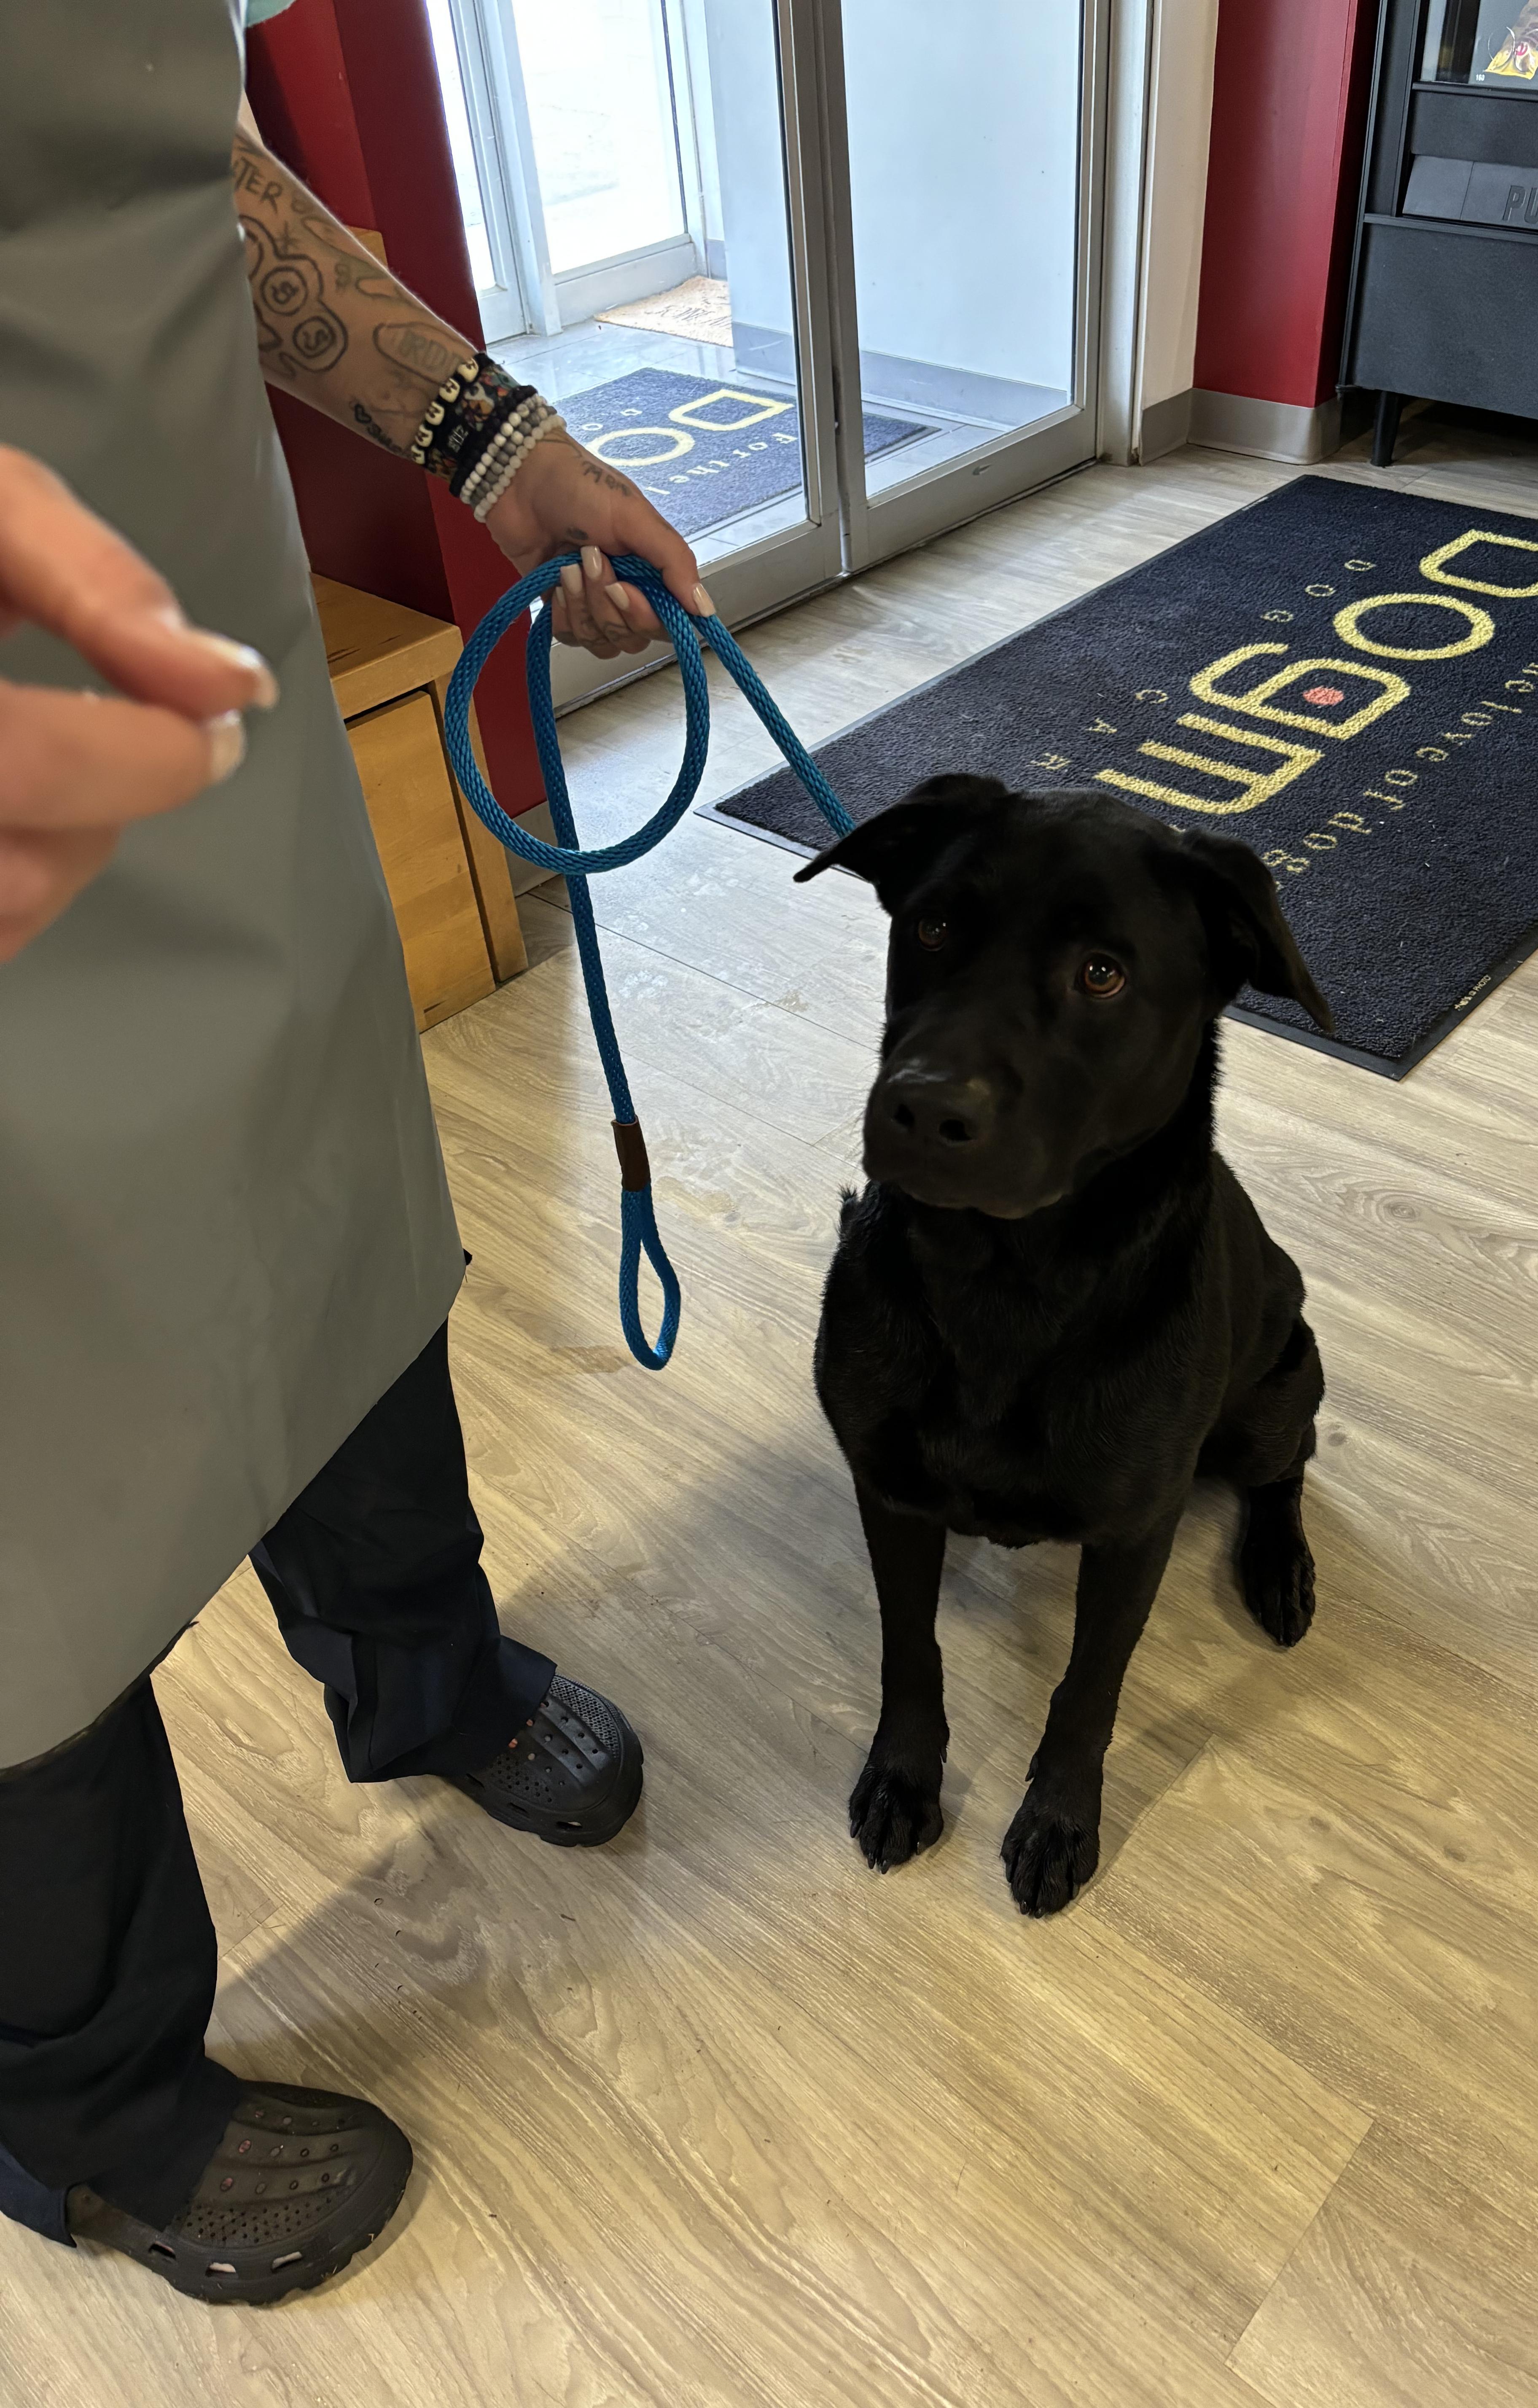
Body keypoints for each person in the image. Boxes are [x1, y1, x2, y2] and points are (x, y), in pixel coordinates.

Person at [0, 0, 713, 2305]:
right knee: (21, 1491)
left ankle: (420, 1667)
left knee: (321, 1185)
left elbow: (159, 140)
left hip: (201, 644)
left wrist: (493, 441)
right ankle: (87, 2108)